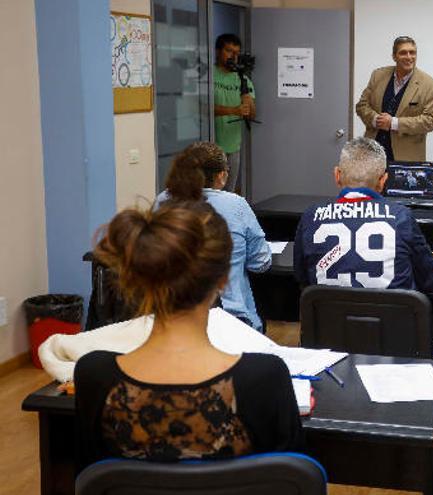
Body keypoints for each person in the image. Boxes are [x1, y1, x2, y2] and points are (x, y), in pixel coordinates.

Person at [74, 202, 302, 470]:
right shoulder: (264, 377)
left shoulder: (94, 375)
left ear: (141, 278)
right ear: (222, 279)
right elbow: (294, 480)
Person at [294, 137, 433, 291]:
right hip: (391, 315)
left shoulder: (311, 216)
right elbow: (432, 283)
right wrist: (430, 264)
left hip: (327, 314)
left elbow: (301, 276)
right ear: (383, 181)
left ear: (337, 175)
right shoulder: (402, 217)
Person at [156, 141, 271, 332]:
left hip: (172, 317)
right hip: (232, 319)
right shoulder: (235, 205)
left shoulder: (162, 201)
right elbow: (261, 263)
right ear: (221, 175)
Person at [356, 36, 433, 162]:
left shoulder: (430, 85)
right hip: (372, 155)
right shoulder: (378, 75)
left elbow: (430, 121)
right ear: (394, 56)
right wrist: (375, 119)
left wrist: (393, 123)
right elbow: (361, 105)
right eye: (403, 53)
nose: (409, 57)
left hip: (406, 159)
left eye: (412, 52)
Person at [213, 33, 255, 193]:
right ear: (218, 51)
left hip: (233, 147)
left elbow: (252, 115)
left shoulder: (243, 79)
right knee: (210, 193)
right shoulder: (208, 75)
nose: (233, 56)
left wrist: (246, 97)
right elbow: (200, 108)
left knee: (228, 194)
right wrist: (232, 110)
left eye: (237, 53)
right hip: (212, 147)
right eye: (229, 51)